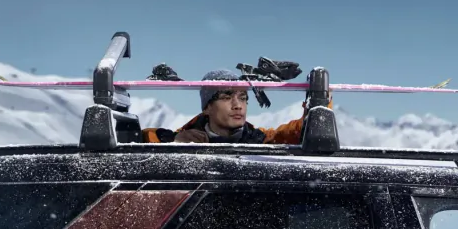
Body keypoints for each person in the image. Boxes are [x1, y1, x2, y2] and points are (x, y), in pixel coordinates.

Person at [142, 69, 333, 144]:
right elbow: (134, 141)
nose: (237, 105)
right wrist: (174, 145)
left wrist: (318, 106)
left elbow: (300, 133)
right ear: (207, 107)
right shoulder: (183, 138)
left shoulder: (259, 141)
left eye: (243, 98)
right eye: (226, 97)